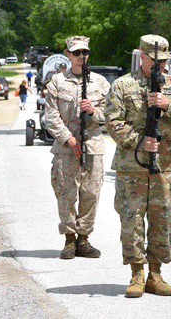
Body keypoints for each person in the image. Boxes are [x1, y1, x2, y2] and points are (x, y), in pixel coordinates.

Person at [105, 35, 171, 298]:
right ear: (142, 57)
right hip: (132, 165)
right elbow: (112, 120)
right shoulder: (123, 85)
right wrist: (140, 141)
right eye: (156, 61)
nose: (161, 66)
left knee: (162, 219)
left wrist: (167, 107)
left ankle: (155, 273)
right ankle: (136, 273)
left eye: (164, 61)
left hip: (164, 164)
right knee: (131, 219)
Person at [45, 36, 111, 261]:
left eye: (85, 52)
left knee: (91, 193)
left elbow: (111, 116)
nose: (81, 56)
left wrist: (93, 111)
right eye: (76, 52)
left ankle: (84, 238)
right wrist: (68, 138)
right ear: (68, 54)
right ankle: (69, 239)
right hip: (66, 147)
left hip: (92, 145)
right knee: (66, 193)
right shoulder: (57, 82)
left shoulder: (100, 82)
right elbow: (51, 116)